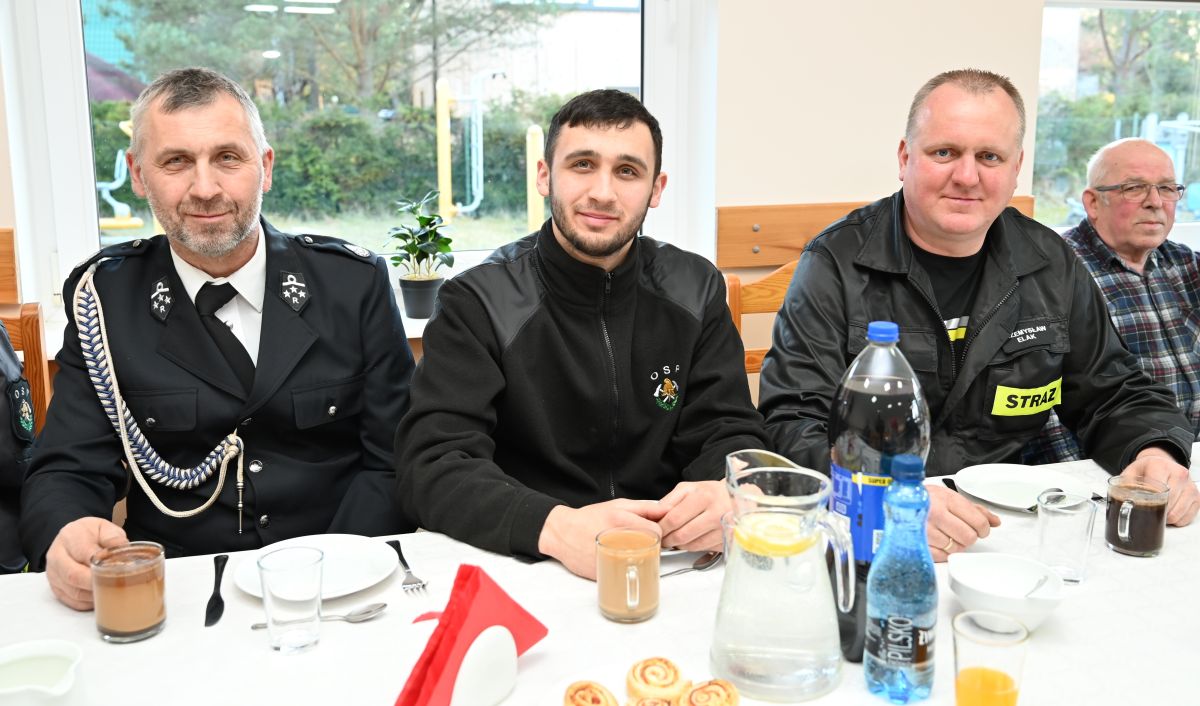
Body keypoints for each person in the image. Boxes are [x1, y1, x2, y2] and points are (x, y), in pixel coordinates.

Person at [758, 69, 1200, 562]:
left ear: (1016, 168)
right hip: (871, 523)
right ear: (905, 158)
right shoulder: (835, 263)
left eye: (989, 157)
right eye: (944, 152)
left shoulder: (1050, 263)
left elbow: (1114, 391)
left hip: (1007, 532)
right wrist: (884, 495)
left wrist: (1154, 451)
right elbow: (792, 421)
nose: (967, 176)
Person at [20, 68, 415, 610]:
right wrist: (65, 532)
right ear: (138, 174)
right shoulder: (105, 301)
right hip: (181, 592)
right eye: (176, 161)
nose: (205, 189)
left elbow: (394, 459)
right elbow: (69, 465)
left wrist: (330, 572)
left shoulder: (352, 284)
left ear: (265, 167)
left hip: (344, 579)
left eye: (228, 157)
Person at [395, 89, 768, 579]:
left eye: (627, 171)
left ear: (656, 189)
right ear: (544, 176)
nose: (603, 193)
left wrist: (729, 487)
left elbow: (728, 427)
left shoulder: (695, 287)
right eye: (583, 165)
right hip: (530, 559)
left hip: (671, 560)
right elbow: (433, 465)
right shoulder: (477, 301)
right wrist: (555, 527)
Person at [1025, 138, 1200, 462]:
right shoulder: (1053, 274)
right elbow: (1044, 412)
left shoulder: (1187, 264)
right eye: (1134, 188)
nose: (1155, 202)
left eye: (1166, 188)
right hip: (1109, 468)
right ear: (1093, 203)